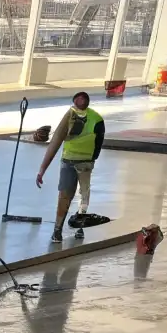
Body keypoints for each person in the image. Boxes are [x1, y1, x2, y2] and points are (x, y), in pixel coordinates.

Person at [37, 91, 105, 243]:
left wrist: (42, 170)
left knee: (66, 195)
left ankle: (58, 231)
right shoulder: (96, 118)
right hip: (85, 162)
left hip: (70, 161)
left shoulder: (70, 115)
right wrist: (92, 158)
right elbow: (100, 141)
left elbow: (55, 142)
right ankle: (78, 228)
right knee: (84, 194)